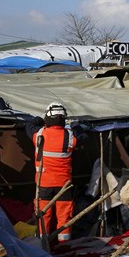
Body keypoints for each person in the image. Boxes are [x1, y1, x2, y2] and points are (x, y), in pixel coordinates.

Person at [27, 102, 77, 242]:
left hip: (44, 183)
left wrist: (36, 120)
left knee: (43, 216)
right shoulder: (70, 137)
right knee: (64, 217)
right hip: (64, 184)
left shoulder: (39, 134)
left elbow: (29, 127)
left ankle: (43, 246)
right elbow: (83, 137)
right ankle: (64, 245)